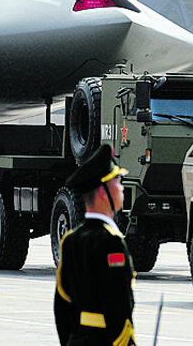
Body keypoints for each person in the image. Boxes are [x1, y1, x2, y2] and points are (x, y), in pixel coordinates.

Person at [54, 144, 136, 346]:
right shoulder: (111, 242)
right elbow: (118, 308)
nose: (122, 187)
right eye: (116, 182)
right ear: (102, 192)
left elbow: (62, 306)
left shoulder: (71, 240)